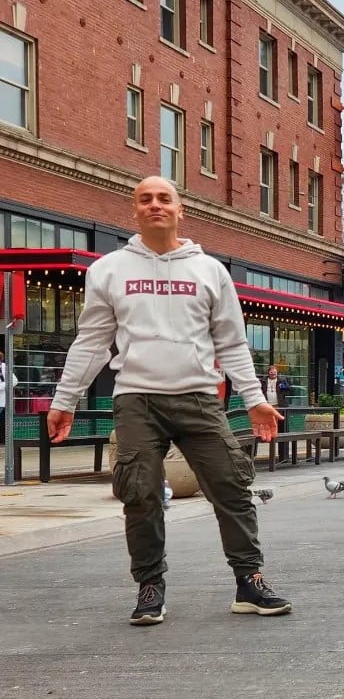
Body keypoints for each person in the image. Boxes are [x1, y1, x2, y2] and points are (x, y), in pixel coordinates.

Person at [46, 176, 291, 626]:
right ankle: (150, 586)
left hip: (198, 396)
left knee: (232, 487)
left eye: (164, 198)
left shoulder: (210, 271)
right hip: (137, 398)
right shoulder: (110, 270)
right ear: (134, 211)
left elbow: (232, 344)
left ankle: (249, 581)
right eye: (145, 199)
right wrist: (67, 400)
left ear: (182, 211)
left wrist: (254, 399)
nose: (155, 205)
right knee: (140, 493)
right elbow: (92, 342)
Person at [0, 350, 18, 444]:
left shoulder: (4, 368)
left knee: (5, 422)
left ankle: (5, 441)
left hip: (3, 401)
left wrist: (2, 386)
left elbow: (14, 381)